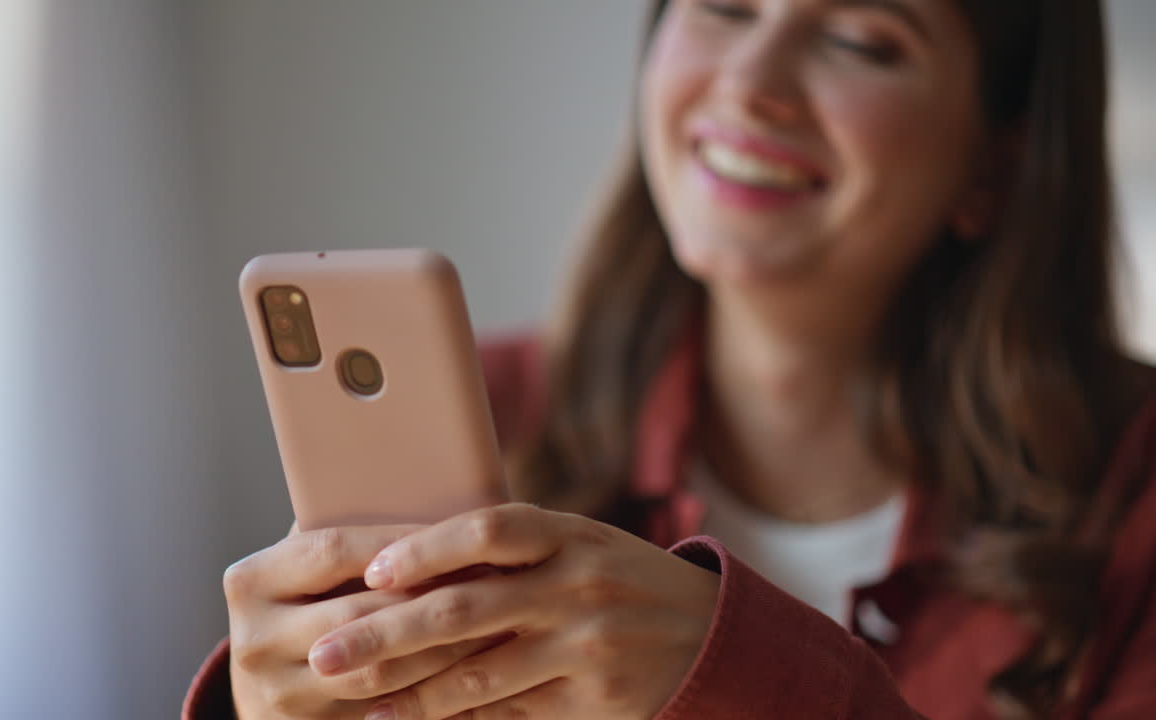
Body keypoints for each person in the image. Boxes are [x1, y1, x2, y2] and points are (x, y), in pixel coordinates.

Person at [185, 1, 1156, 718]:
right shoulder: (490, 415)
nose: (749, 82)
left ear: (992, 164)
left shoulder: (1134, 494)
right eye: (723, 8)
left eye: (861, 38)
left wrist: (748, 677)